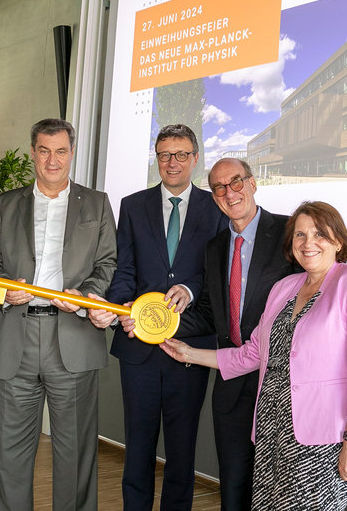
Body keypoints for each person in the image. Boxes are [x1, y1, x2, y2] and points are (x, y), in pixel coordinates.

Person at [161, 201, 347, 510]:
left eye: (319, 234)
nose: (308, 243)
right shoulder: (284, 287)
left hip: (322, 436)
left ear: (338, 240)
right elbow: (253, 353)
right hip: (270, 428)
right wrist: (190, 353)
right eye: (299, 235)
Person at [0, 118, 117, 511]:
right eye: (44, 150)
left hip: (72, 336)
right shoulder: (6, 203)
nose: (52, 160)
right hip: (17, 338)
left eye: (60, 151)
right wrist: (7, 288)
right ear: (33, 153)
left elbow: (107, 263)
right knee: (11, 454)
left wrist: (88, 296)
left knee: (75, 456)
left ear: (71, 153)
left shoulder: (96, 202)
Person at [88, 124, 225, 510]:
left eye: (181, 154)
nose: (172, 162)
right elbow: (123, 270)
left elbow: (216, 272)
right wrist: (120, 313)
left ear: (195, 159)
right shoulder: (133, 205)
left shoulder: (215, 209)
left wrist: (192, 289)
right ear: (156, 158)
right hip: (139, 351)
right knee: (138, 447)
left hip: (190, 348)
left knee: (182, 451)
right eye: (165, 154)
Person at [176, 158, 295, 510]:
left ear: (253, 183)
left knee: (279, 484)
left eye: (236, 182)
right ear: (214, 197)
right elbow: (211, 313)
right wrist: (158, 324)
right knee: (233, 482)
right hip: (230, 380)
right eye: (219, 187)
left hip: (280, 383)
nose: (230, 192)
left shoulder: (291, 233)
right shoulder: (214, 247)